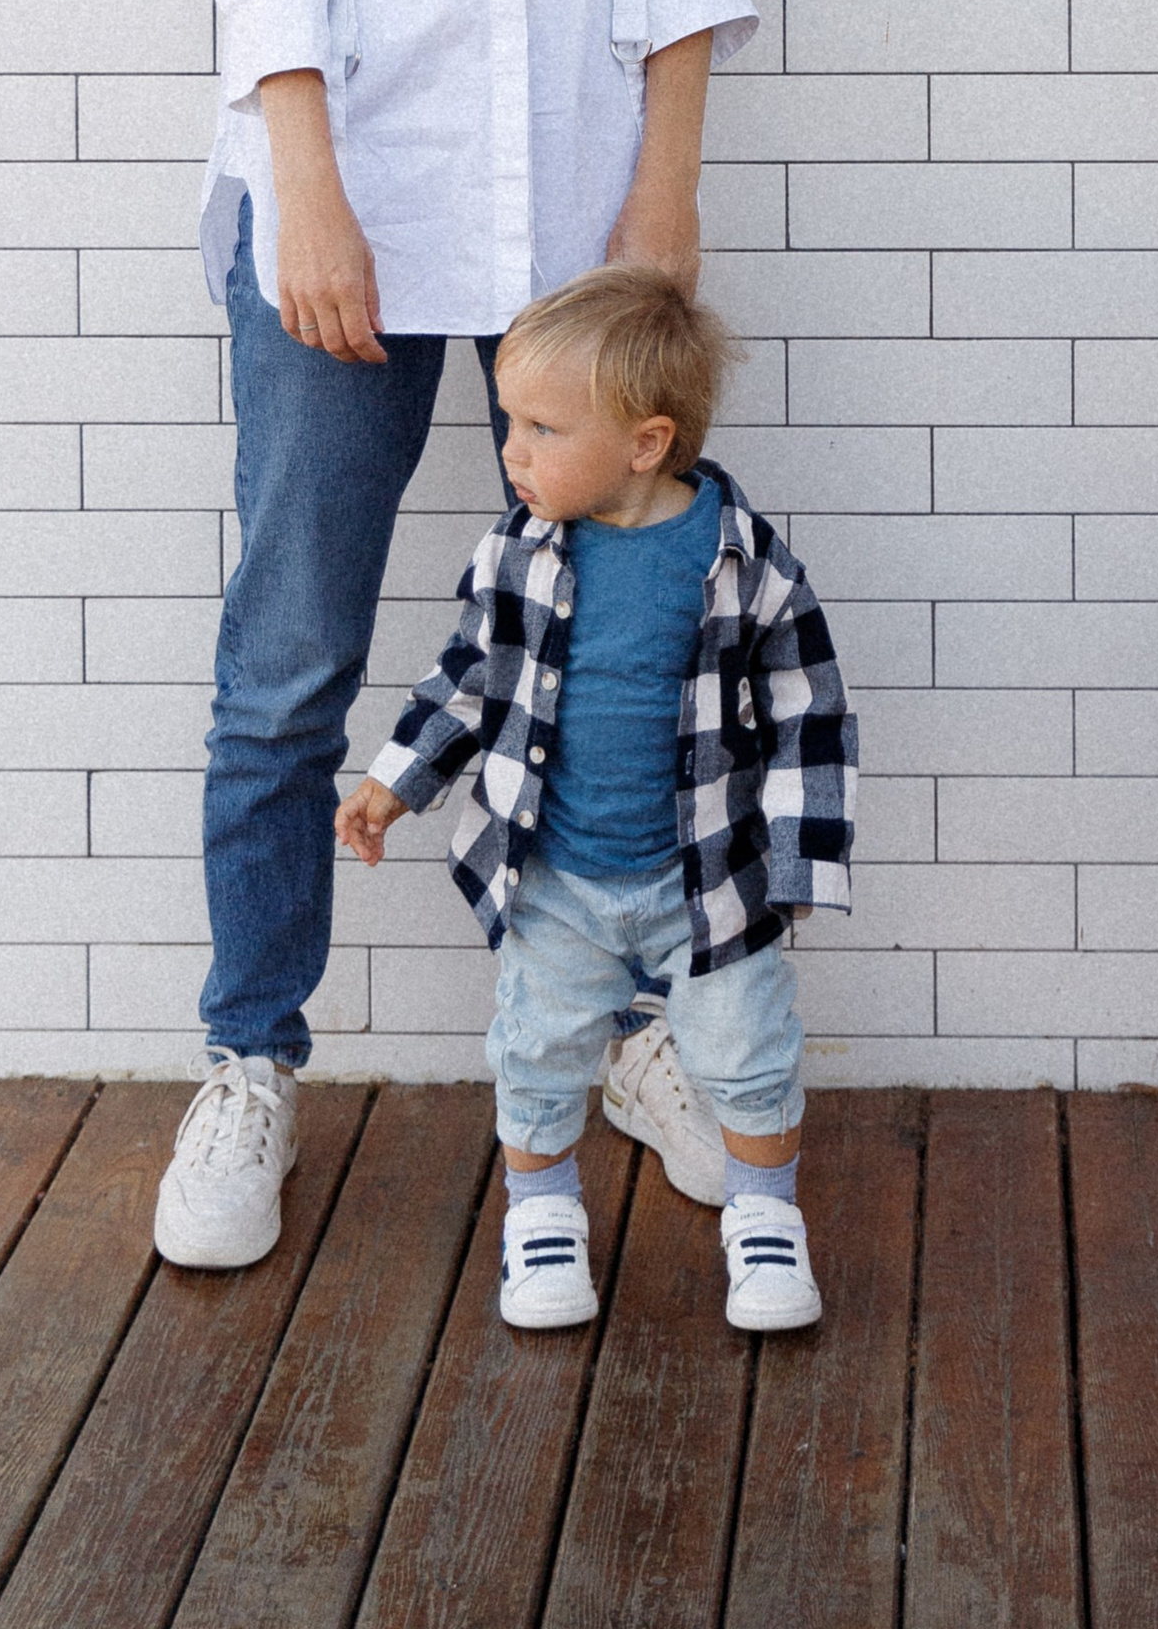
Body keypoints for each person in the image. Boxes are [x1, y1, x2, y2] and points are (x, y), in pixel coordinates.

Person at [157, 0, 760, 1272]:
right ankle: (250, 1061)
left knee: (612, 656)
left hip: (571, 209)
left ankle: (617, 1029)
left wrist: (659, 195)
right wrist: (302, 183)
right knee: (290, 661)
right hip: (339, 200)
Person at [336, 263, 855, 1332]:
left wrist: (796, 869)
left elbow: (810, 713)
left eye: (540, 429)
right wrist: (395, 781)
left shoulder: (741, 564)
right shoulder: (518, 554)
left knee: (750, 1057)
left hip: (708, 880)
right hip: (557, 876)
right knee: (535, 1049)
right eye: (508, 424)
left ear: (645, 443)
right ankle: (541, 1219)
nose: (513, 452)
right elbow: (470, 676)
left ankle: (765, 1223)